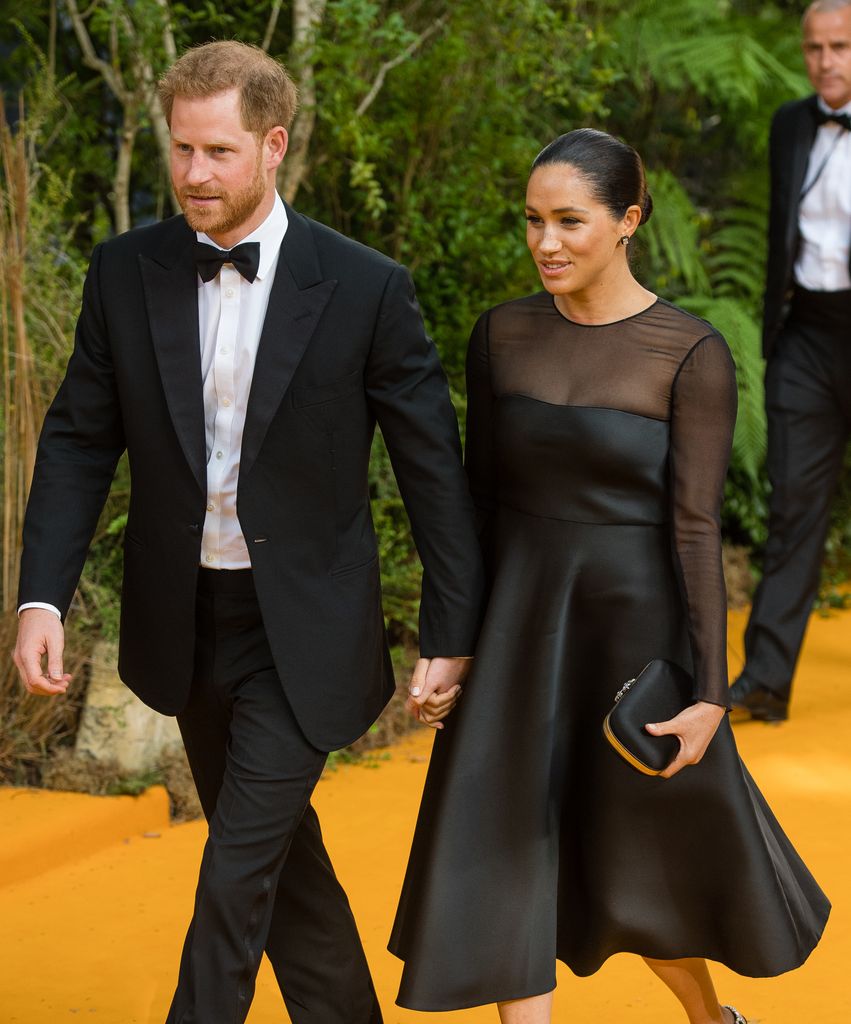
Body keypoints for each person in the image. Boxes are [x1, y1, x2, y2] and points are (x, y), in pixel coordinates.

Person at [12, 40, 484, 1024]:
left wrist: (452, 626)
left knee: (232, 873)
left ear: (273, 146)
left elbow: (429, 464)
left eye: (217, 151)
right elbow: (76, 443)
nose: (192, 174)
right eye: (180, 149)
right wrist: (41, 594)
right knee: (276, 858)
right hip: (186, 624)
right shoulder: (123, 271)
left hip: (301, 631)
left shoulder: (363, 286)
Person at [389, 129, 829, 1024]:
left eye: (568, 221)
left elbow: (696, 527)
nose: (544, 242)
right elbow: (475, 508)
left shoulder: (688, 351)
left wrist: (711, 690)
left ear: (627, 220)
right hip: (519, 627)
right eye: (531, 221)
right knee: (510, 844)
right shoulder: (502, 334)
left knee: (635, 859)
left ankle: (710, 1018)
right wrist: (453, 642)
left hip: (629, 637)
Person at [730, 0, 851, 723]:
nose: (825, 60)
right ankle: (767, 678)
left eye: (839, 45)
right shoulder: (788, 124)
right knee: (792, 507)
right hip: (805, 334)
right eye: (813, 48)